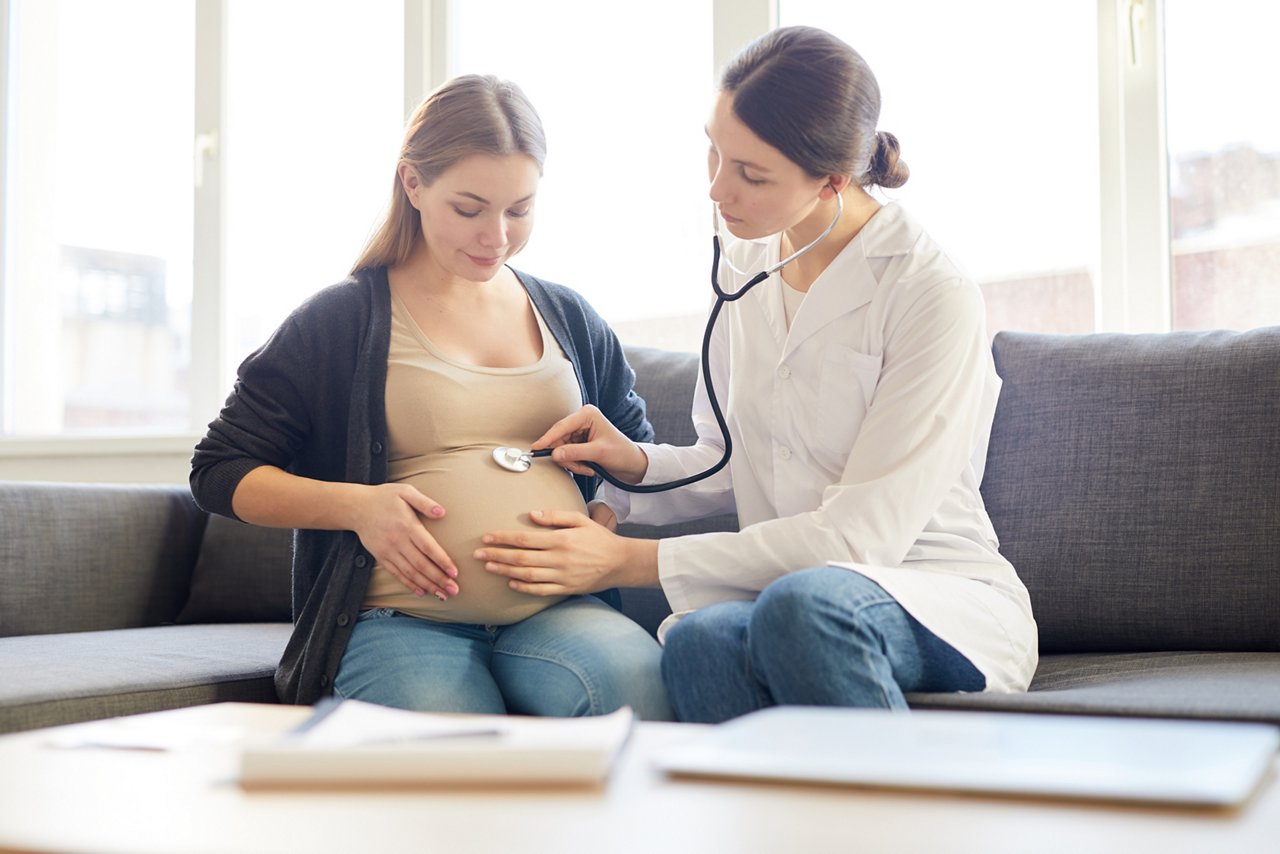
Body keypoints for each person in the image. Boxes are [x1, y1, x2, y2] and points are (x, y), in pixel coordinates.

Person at [474, 27, 1038, 723]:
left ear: (832, 180)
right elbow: (734, 461)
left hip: (931, 591)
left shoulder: (929, 293)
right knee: (701, 641)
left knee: (805, 606)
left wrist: (626, 562)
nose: (717, 188)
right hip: (789, 595)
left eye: (751, 173)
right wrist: (631, 464)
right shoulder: (746, 265)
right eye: (713, 150)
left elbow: (856, 542)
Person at [190, 74, 672, 721]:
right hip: (400, 618)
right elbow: (218, 471)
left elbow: (633, 453)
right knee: (450, 751)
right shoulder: (341, 320)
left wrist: (605, 524)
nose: (495, 237)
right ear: (413, 183)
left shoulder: (568, 314)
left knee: (635, 688)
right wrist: (358, 506)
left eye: (519, 210)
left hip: (558, 612)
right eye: (469, 209)